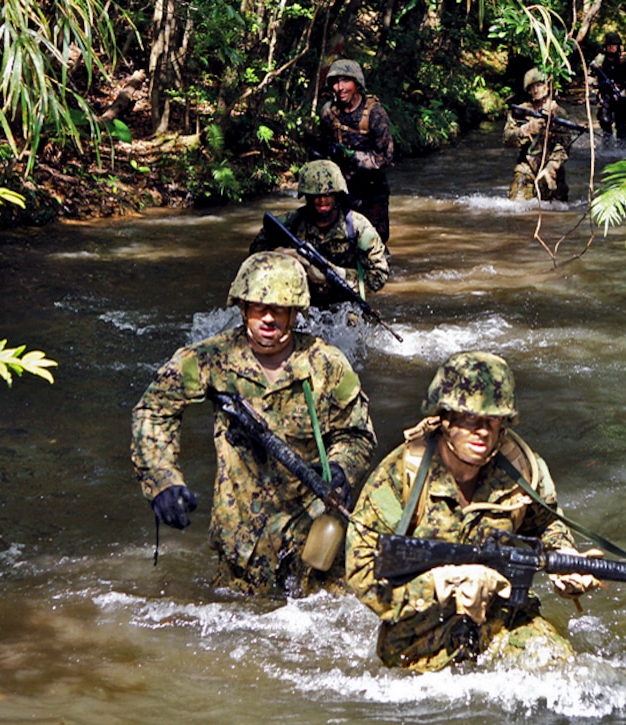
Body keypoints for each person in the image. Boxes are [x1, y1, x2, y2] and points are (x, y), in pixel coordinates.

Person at [131, 251, 377, 597]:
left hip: (313, 539)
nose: (268, 318)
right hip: (242, 549)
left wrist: (340, 469)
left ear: (295, 312)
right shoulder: (211, 359)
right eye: (258, 307)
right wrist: (162, 480)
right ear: (243, 307)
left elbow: (357, 433)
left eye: (279, 308)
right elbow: (155, 408)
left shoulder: (327, 365)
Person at [345, 351, 600, 671]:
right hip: (420, 635)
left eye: (493, 420)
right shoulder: (401, 476)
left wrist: (564, 557)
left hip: (504, 623)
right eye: (470, 418)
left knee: (566, 674)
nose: (482, 430)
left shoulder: (522, 470)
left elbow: (546, 523)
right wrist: (447, 583)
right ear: (445, 418)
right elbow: (361, 573)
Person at [249, 160, 390, 310]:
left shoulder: (358, 228)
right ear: (307, 196)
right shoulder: (292, 223)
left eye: (328, 194)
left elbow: (379, 275)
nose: (322, 200)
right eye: (315, 194)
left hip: (344, 306)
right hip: (300, 304)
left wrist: (336, 274)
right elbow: (255, 254)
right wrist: (284, 255)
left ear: (337, 194)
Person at [317, 59, 394, 245]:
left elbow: (386, 157)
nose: (340, 87)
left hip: (372, 192)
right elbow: (321, 148)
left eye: (346, 81)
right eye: (336, 82)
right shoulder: (328, 113)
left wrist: (354, 157)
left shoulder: (375, 113)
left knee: (373, 244)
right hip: (342, 191)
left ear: (357, 84)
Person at [503, 68, 573, 202]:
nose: (536, 90)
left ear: (547, 87)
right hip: (527, 166)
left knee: (557, 210)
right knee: (516, 206)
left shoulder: (558, 112)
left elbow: (565, 145)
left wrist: (552, 166)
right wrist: (526, 129)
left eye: (539, 85)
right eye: (532, 87)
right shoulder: (521, 111)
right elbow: (507, 139)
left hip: (552, 168)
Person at [590, 33, 626, 148]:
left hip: (620, 97)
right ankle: (607, 144)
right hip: (605, 96)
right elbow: (591, 78)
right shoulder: (599, 62)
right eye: (609, 45)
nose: (612, 48)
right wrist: (598, 86)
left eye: (614, 45)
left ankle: (621, 147)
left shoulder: (623, 63)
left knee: (621, 124)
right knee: (605, 120)